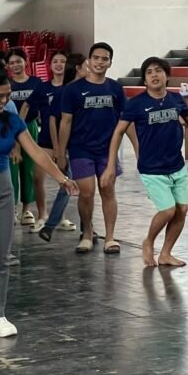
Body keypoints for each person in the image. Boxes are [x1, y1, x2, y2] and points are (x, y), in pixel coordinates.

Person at [103, 57, 188, 267]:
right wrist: (111, 165)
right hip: (151, 168)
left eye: (158, 70)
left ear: (167, 76)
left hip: (177, 165)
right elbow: (118, 132)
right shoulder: (136, 104)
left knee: (182, 210)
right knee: (167, 210)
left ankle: (166, 253)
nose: (154, 75)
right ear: (144, 80)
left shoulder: (176, 99)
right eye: (149, 72)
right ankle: (148, 241)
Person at [0, 69, 78, 338]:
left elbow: (36, 152)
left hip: (3, 191)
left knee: (1, 256)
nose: (4, 101)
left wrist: (62, 179)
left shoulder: (12, 119)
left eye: (7, 96)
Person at [57, 42, 134, 255]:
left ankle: (110, 237)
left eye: (104, 59)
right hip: (80, 149)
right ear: (89, 61)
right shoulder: (73, 90)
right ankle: (87, 233)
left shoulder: (115, 89)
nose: (100, 62)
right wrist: (61, 153)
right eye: (96, 58)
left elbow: (126, 121)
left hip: (107, 150)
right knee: (87, 193)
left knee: (107, 190)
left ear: (110, 62)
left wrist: (138, 147)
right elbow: (65, 122)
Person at [35, 50, 78, 237]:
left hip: (72, 143)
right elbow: (53, 120)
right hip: (48, 141)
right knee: (41, 179)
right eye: (55, 61)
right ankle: (44, 217)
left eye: (63, 61)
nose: (59, 64)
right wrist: (57, 148)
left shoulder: (73, 90)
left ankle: (60, 219)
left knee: (67, 182)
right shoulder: (47, 89)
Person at [7, 48, 46, 225]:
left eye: (18, 61)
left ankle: (26, 209)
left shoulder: (37, 83)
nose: (15, 65)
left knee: (29, 168)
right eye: (11, 63)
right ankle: (12, 208)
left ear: (26, 62)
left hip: (29, 126)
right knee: (11, 168)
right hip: (8, 128)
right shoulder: (6, 83)